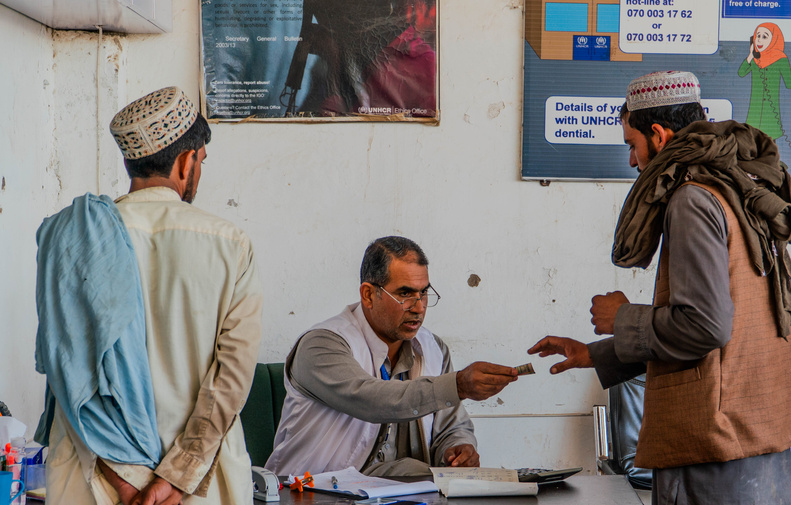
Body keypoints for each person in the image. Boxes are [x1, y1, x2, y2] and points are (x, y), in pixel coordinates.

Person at [529, 71, 791, 504]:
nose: (631, 160)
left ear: (660, 135)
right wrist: (594, 354)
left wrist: (621, 318)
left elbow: (704, 328)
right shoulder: (737, 186)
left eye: (632, 144)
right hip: (757, 436)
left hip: (714, 446)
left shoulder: (692, 199)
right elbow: (723, 333)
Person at [35, 87, 263, 505]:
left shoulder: (74, 236)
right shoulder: (231, 244)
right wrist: (175, 478)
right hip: (199, 488)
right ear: (186, 160)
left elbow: (66, 370)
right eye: (201, 161)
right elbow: (231, 378)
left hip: (95, 483)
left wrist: (127, 481)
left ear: (129, 162)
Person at [266, 236, 517, 477]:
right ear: (368, 295)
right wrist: (457, 385)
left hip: (404, 489)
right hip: (318, 491)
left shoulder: (433, 348)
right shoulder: (322, 344)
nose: (419, 307)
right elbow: (373, 400)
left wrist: (457, 450)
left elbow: (452, 426)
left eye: (424, 293)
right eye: (405, 294)